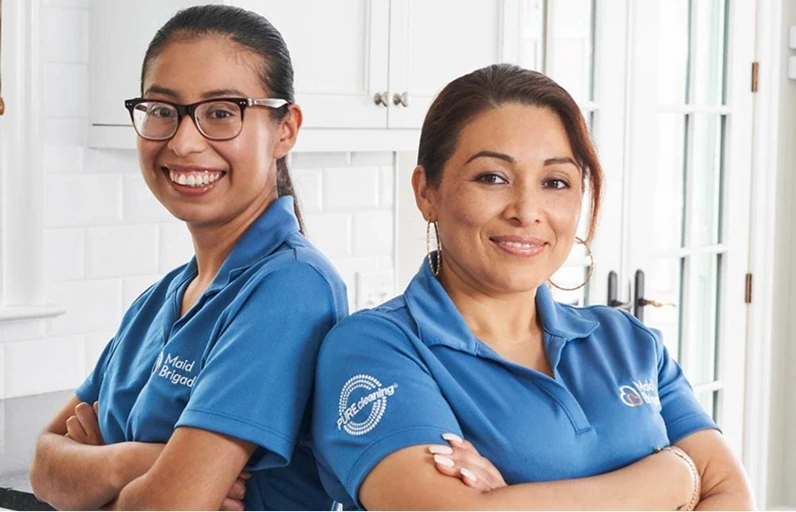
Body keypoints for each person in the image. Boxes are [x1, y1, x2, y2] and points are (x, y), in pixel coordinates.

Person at [311, 64, 754, 510]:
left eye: (555, 182)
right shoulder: (375, 348)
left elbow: (732, 496)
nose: (527, 210)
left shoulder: (630, 342)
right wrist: (672, 477)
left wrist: (508, 500)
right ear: (426, 191)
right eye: (492, 178)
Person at [29, 5, 347, 510]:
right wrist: (133, 464)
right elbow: (44, 467)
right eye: (161, 110)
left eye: (221, 112)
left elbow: (159, 508)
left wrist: (98, 480)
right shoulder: (159, 301)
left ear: (285, 129)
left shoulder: (291, 287)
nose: (183, 141)